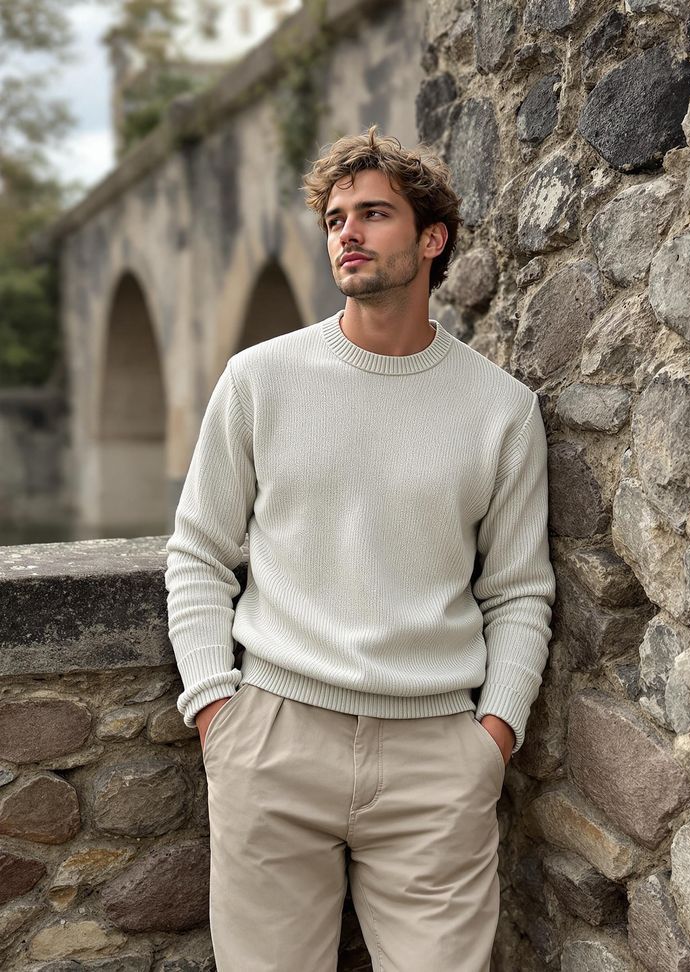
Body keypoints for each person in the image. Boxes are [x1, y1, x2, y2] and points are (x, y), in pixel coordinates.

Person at [164, 127, 555, 972]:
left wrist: (493, 736)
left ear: (431, 238)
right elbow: (197, 553)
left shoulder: (502, 408)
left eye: (374, 213)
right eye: (336, 217)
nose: (348, 231)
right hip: (272, 738)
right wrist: (216, 712)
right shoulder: (259, 379)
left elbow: (520, 591)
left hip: (436, 761)